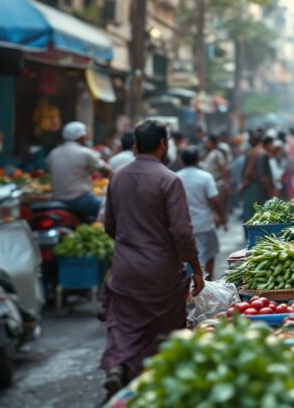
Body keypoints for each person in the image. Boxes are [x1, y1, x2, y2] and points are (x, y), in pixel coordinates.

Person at [101, 119, 204, 397]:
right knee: (163, 330)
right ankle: (156, 384)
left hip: (125, 269)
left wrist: (130, 246)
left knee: (124, 324)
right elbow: (182, 232)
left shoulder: (117, 176)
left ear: (135, 145)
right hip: (161, 274)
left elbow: (109, 225)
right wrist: (196, 269)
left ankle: (118, 366)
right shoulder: (169, 179)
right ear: (162, 144)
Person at [46, 121, 112, 222]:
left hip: (57, 199)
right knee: (112, 209)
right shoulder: (85, 152)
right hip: (80, 199)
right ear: (81, 137)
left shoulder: (53, 153)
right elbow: (107, 171)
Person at [177, 146, 226, 279]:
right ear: (198, 160)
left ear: (182, 161)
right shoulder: (205, 177)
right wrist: (222, 218)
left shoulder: (175, 177)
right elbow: (214, 200)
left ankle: (189, 286)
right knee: (209, 253)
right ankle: (208, 282)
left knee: (186, 258)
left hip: (182, 225)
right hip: (204, 224)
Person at [239, 134, 275, 222]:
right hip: (259, 190)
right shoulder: (263, 154)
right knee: (259, 215)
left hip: (249, 188)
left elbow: (243, 172)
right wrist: (271, 191)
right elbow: (263, 176)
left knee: (249, 214)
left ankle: (248, 234)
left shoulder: (249, 153)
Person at [203, 135, 230, 207]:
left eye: (208, 142)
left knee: (219, 205)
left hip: (218, 183)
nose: (206, 144)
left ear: (212, 143)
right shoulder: (206, 153)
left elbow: (223, 169)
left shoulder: (218, 154)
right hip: (210, 183)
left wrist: (226, 184)